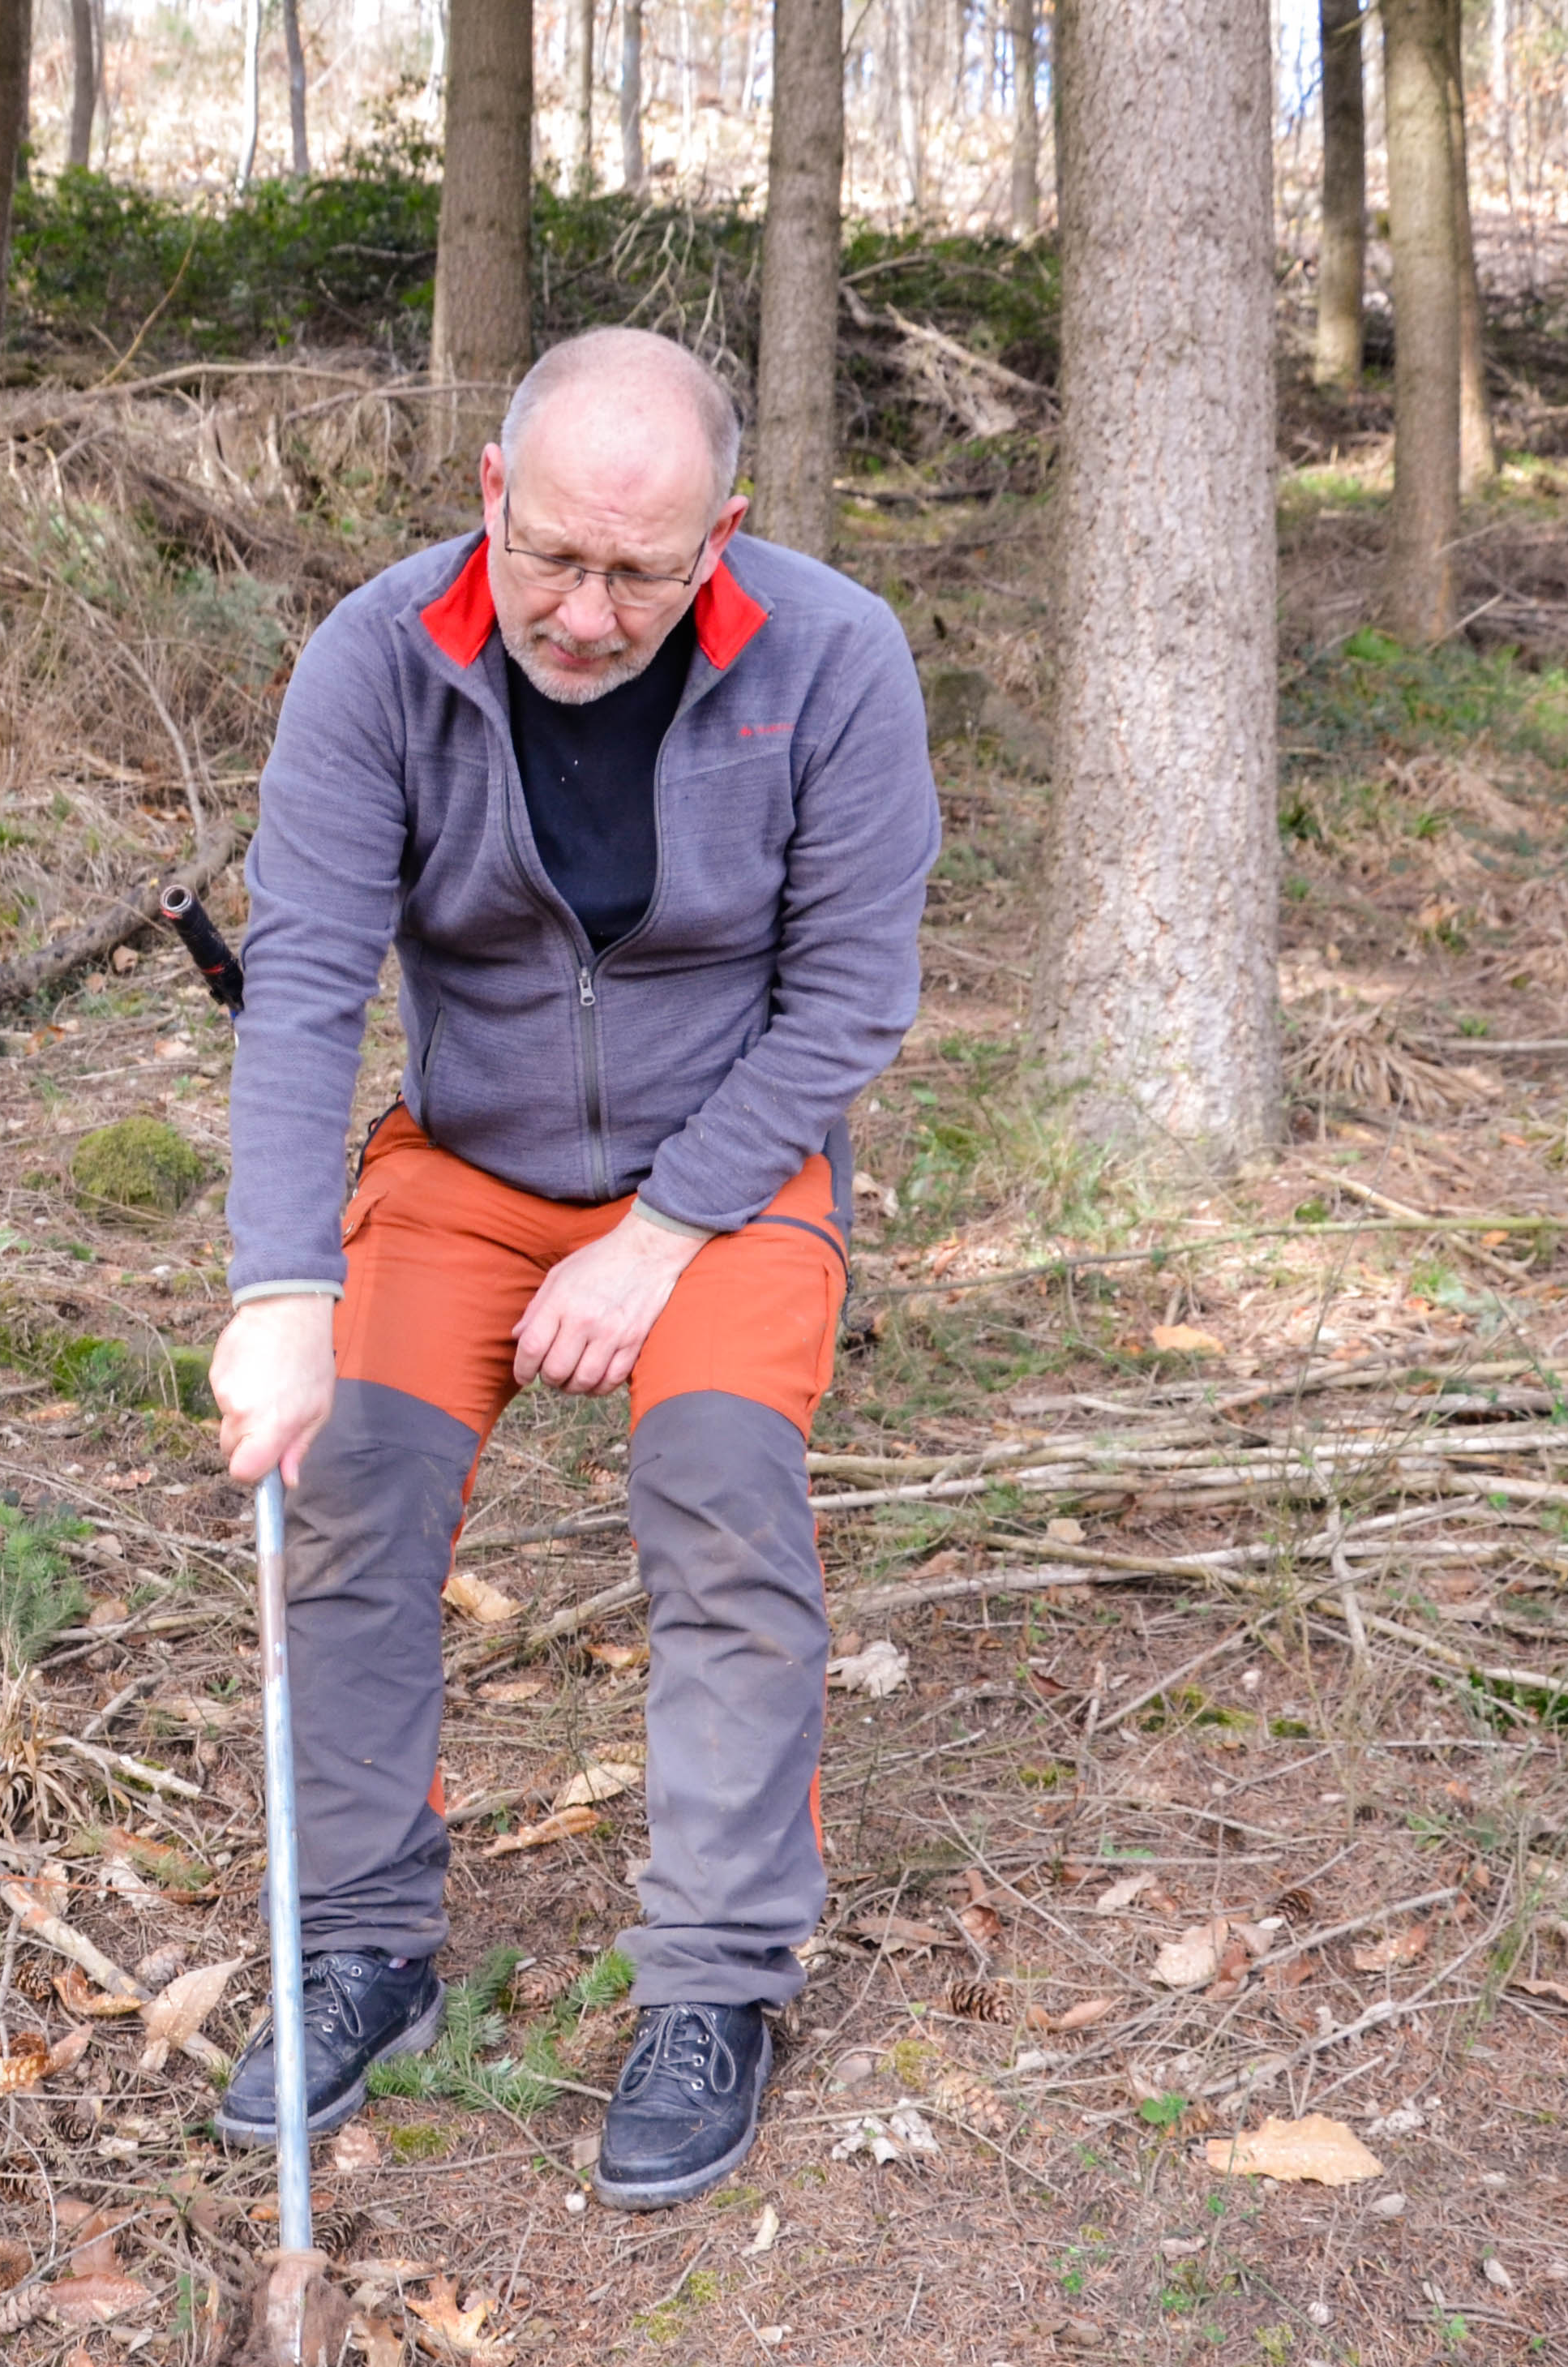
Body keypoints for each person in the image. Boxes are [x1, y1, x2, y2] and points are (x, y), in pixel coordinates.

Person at [205, 326, 936, 2209]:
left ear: (725, 538)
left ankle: (713, 1984)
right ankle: (361, 1941)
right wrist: (280, 1291)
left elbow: (850, 998)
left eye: (640, 571)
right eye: (548, 556)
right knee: (351, 1480)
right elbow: (301, 983)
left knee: (719, 1492)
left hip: (730, 1174)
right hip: (461, 1163)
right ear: (487, 499)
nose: (585, 613)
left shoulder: (832, 658)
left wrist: (666, 1234)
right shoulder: (375, 658)